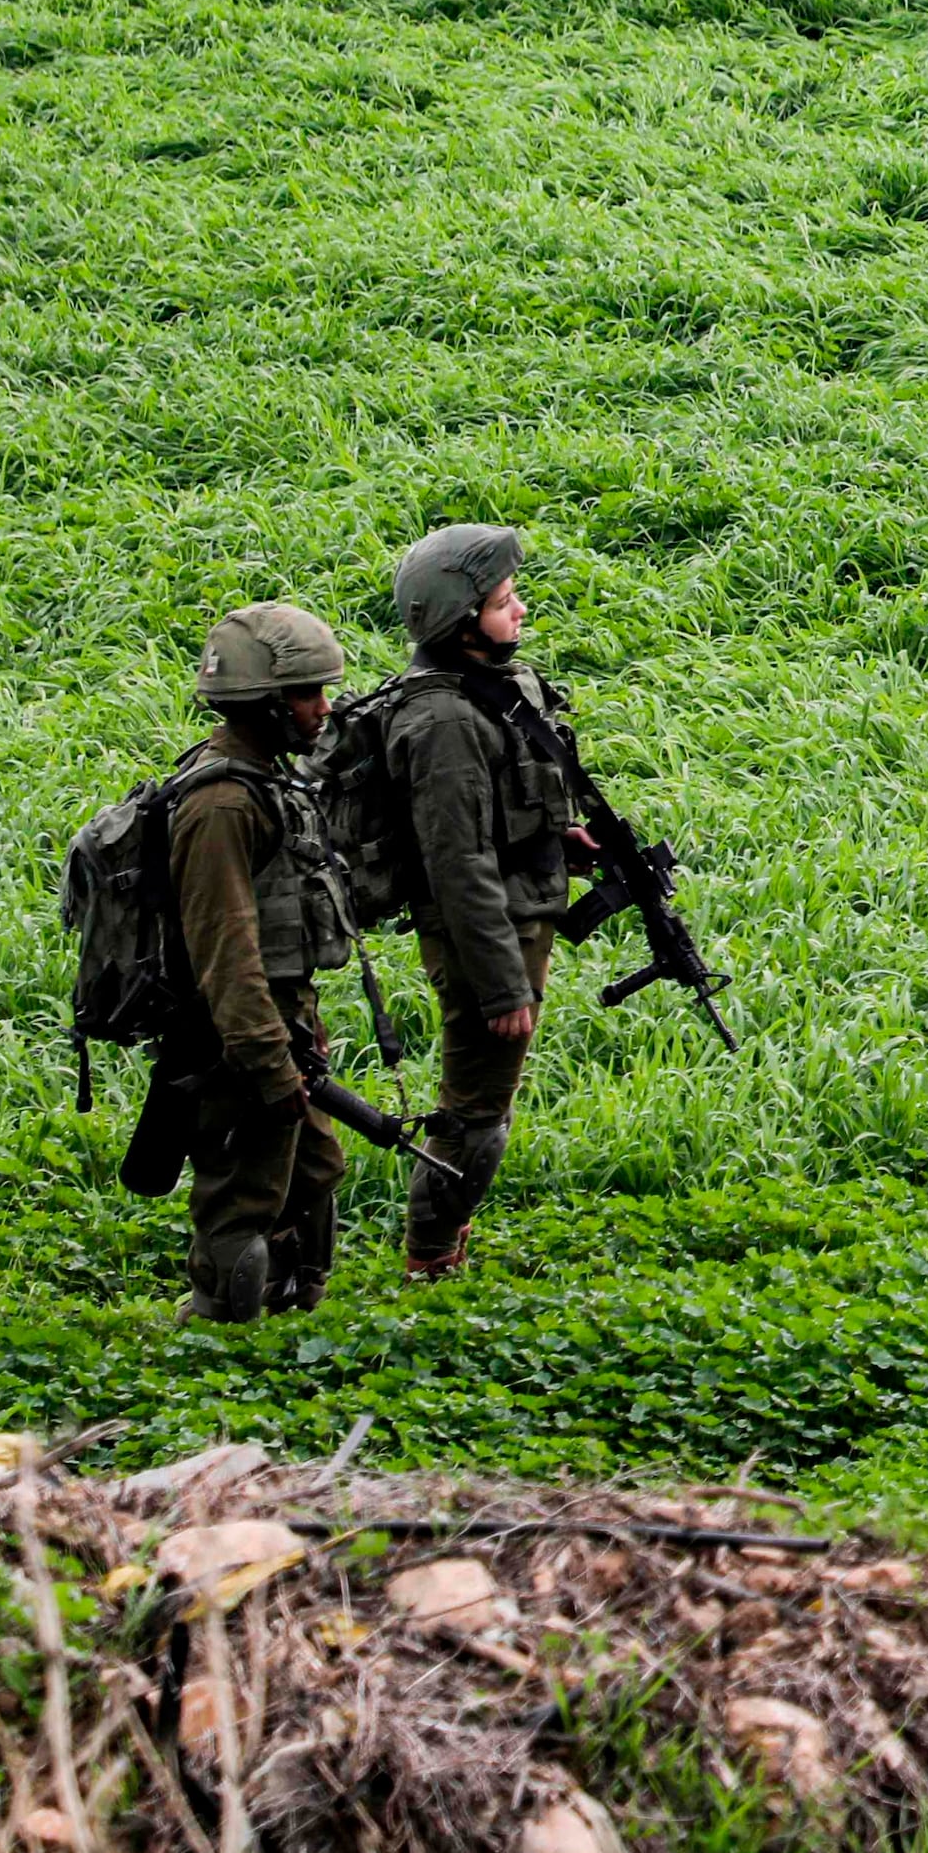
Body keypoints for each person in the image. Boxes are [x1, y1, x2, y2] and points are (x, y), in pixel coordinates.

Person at [377, 521, 592, 1282]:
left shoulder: (485, 689)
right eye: (504, 602)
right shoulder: (442, 723)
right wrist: (502, 985)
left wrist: (556, 835)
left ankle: (439, 1247)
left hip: (512, 916)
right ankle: (430, 1260)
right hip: (485, 935)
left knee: (484, 1105)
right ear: (460, 621)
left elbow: (494, 819)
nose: (521, 610)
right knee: (475, 1115)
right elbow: (457, 863)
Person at [157, 604, 363, 1322]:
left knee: (314, 1173)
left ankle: (289, 1321)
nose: (323, 708)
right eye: (307, 693)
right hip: (241, 1035)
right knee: (244, 1195)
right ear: (264, 702)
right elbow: (227, 954)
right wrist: (268, 1064)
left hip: (283, 1021)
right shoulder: (220, 805)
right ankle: (221, 1334)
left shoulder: (260, 782)